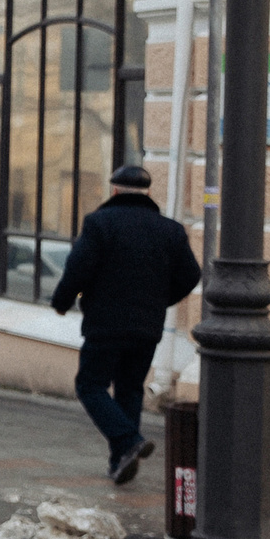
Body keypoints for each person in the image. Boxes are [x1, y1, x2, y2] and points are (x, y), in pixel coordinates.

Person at [50, 162, 202, 485]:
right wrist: (160, 301)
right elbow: (191, 275)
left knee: (90, 385)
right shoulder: (171, 230)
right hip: (147, 327)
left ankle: (129, 441)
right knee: (130, 389)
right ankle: (120, 461)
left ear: (115, 190)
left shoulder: (99, 223)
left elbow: (78, 269)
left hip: (105, 325)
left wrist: (61, 302)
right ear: (148, 193)